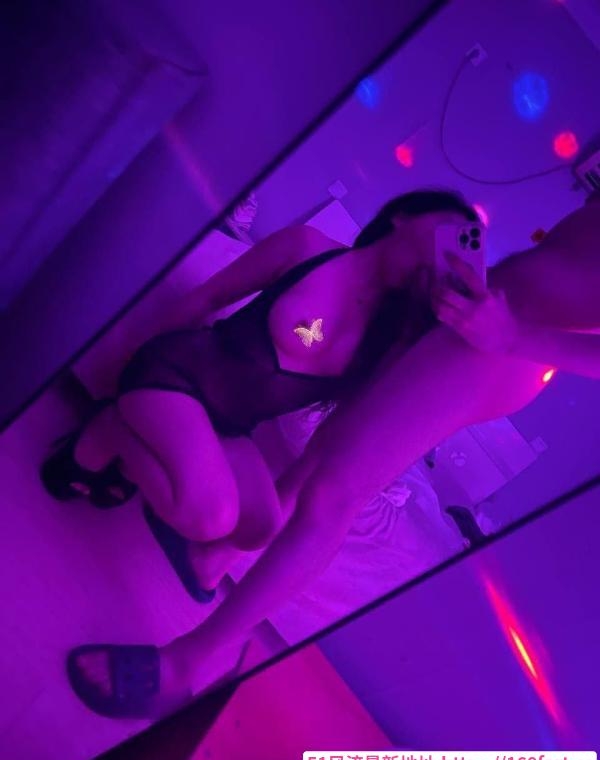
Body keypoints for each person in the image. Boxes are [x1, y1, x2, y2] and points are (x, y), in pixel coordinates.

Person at [52, 188, 599, 718]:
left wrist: (513, 338)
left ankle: (192, 663)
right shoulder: (323, 258)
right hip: (490, 331)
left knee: (335, 494)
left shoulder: (362, 291)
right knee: (331, 453)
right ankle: (212, 561)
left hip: (498, 345)